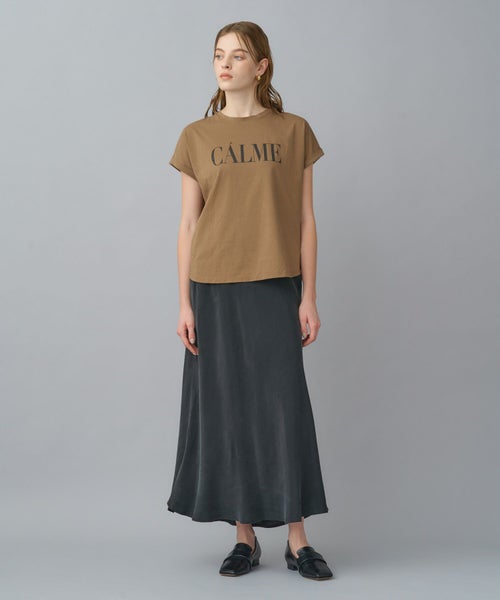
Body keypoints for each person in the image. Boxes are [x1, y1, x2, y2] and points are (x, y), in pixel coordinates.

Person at [167, 21, 334, 581]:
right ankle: (244, 537)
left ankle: (297, 538)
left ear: (261, 66)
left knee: (283, 407)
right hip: (212, 288)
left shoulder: (293, 131)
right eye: (219, 54)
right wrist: (184, 303)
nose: (225, 64)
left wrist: (309, 295)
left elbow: (306, 219)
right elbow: (188, 225)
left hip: (274, 284)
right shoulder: (196, 136)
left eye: (238, 56)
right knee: (230, 408)